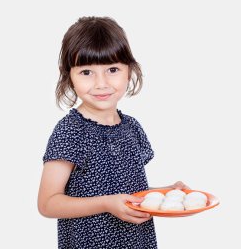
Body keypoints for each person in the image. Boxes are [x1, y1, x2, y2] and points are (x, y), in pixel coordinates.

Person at [37, 16, 189, 249]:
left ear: (130, 70)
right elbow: (48, 203)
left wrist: (167, 193)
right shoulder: (70, 131)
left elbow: (130, 193)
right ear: (70, 76)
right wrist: (106, 204)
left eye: (112, 69)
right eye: (87, 72)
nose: (101, 83)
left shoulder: (132, 128)